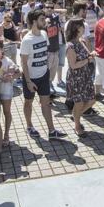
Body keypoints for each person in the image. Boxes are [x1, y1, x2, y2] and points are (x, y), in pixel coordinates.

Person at [20, 10, 67, 140]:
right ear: (34, 21)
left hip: (43, 75)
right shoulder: (26, 40)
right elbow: (23, 63)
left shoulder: (44, 34)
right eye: (42, 19)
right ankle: (29, 126)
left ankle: (52, 131)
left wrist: (47, 71)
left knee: (46, 103)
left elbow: (44, 54)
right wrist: (28, 82)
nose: (45, 21)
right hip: (30, 78)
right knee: (28, 102)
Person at [65, 18, 96, 137]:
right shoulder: (70, 46)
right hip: (76, 78)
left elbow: (88, 55)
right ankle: (77, 126)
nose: (85, 28)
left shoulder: (81, 41)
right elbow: (73, 65)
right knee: (79, 103)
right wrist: (88, 60)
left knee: (92, 100)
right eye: (83, 26)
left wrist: (92, 54)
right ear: (77, 29)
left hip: (86, 76)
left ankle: (75, 116)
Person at [0, 40, 20, 145]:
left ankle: (6, 135)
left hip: (6, 90)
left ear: (2, 50)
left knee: (6, 112)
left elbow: (19, 73)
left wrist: (10, 77)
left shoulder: (8, 61)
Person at [44, 2, 63, 94]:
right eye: (47, 7)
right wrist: (45, 24)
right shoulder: (42, 19)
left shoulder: (55, 18)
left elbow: (65, 11)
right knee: (46, 70)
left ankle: (50, 84)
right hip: (47, 50)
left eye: (51, 7)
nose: (49, 9)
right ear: (44, 8)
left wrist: (54, 10)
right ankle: (46, 87)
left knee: (53, 70)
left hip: (56, 48)